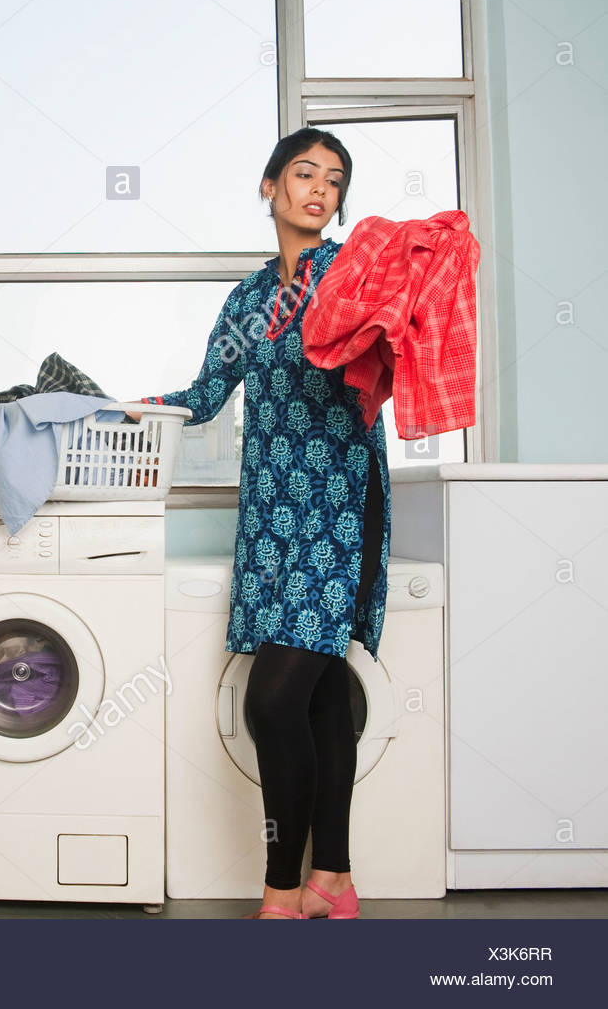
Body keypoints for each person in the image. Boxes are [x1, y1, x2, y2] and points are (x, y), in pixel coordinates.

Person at [129, 127, 389, 920]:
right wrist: (136, 408)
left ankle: (281, 889)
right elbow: (207, 394)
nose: (321, 190)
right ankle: (334, 882)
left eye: (335, 180)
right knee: (318, 700)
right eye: (305, 174)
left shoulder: (350, 273)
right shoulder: (248, 300)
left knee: (270, 701)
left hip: (340, 502)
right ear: (270, 187)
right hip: (274, 512)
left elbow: (391, 336)